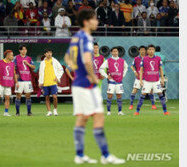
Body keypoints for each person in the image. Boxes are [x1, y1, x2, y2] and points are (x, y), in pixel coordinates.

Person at [64, 9, 125, 165]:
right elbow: (86, 60)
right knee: (98, 116)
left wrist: (75, 69)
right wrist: (93, 77)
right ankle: (106, 156)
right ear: (86, 21)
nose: (97, 22)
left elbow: (67, 57)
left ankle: (79, 155)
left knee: (82, 118)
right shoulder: (86, 37)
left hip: (77, 84)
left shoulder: (76, 37)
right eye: (94, 19)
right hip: (86, 85)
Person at [134, 44, 169, 115]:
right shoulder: (144, 59)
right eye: (149, 49)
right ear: (147, 51)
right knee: (142, 95)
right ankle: (137, 111)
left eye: (152, 49)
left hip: (156, 81)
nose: (151, 51)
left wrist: (162, 79)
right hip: (147, 81)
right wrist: (140, 80)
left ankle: (165, 111)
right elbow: (141, 70)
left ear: (154, 51)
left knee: (160, 95)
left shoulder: (158, 58)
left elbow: (161, 69)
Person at [99, 47, 128, 116]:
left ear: (118, 52)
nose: (115, 53)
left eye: (116, 51)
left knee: (119, 96)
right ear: (111, 52)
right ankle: (109, 111)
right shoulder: (108, 61)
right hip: (111, 81)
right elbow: (101, 69)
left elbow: (126, 68)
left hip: (119, 81)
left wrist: (123, 75)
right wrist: (106, 76)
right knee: (110, 96)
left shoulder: (122, 61)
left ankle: (119, 111)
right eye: (114, 51)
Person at [129, 46, 156, 110]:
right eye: (141, 50)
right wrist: (135, 72)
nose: (142, 51)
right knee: (134, 91)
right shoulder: (136, 58)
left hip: (147, 78)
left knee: (150, 92)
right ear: (139, 51)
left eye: (144, 50)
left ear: (146, 51)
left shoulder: (148, 58)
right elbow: (132, 66)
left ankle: (153, 105)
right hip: (138, 78)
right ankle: (131, 105)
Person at [0, 50, 18, 117]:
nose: (13, 56)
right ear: (7, 55)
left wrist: (16, 82)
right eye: (11, 55)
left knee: (7, 98)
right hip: (1, 83)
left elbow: (14, 74)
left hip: (8, 83)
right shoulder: (0, 62)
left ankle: (6, 112)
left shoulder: (12, 64)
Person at [39, 49, 64, 116]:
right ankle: (49, 111)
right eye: (47, 53)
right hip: (45, 82)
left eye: (50, 52)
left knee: (54, 97)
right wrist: (40, 82)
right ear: (45, 54)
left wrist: (58, 77)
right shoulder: (42, 63)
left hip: (53, 82)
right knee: (46, 97)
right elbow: (40, 73)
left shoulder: (55, 61)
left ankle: (55, 110)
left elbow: (61, 70)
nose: (49, 54)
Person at [14, 45, 36, 116]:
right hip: (20, 80)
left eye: (25, 50)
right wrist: (16, 74)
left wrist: (28, 64)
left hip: (27, 80)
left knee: (28, 95)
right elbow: (13, 67)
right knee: (18, 95)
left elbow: (34, 67)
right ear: (20, 50)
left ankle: (29, 112)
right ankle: (17, 112)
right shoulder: (16, 58)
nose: (24, 51)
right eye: (23, 50)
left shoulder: (29, 58)